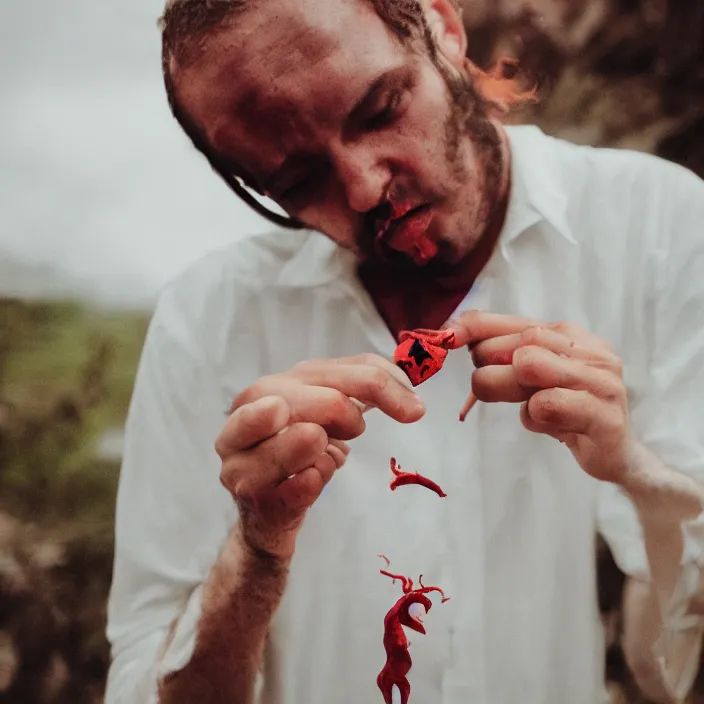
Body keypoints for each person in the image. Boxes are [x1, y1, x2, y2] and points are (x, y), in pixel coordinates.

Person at [104, 1, 704, 702]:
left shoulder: (661, 227)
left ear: (443, 29)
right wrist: (256, 551)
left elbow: (676, 676)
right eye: (298, 182)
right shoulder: (207, 320)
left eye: (380, 109)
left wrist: (639, 475)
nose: (364, 188)